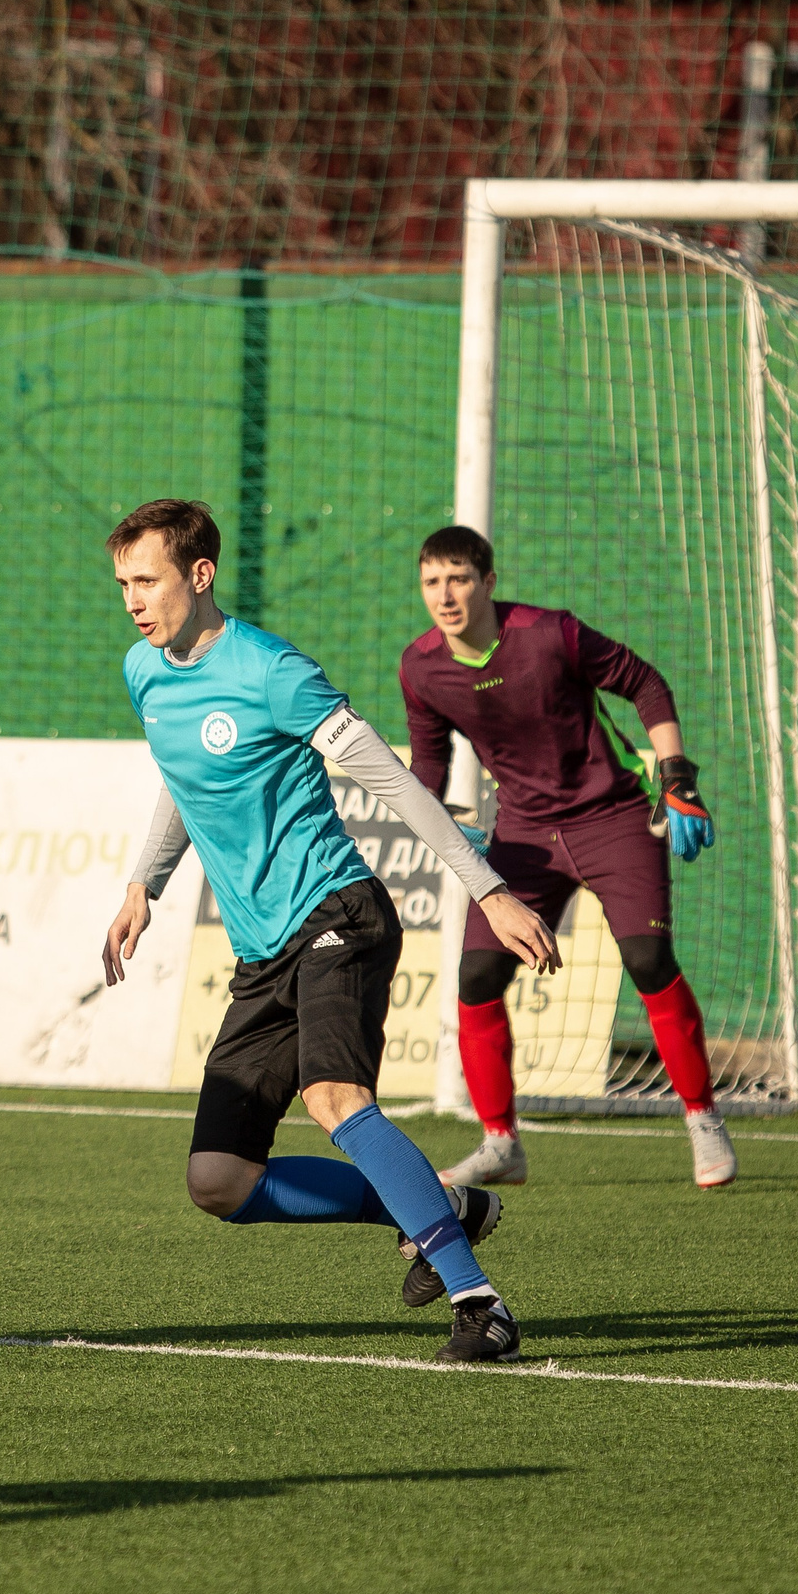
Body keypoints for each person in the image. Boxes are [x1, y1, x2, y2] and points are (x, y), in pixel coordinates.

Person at [99, 499, 561, 1362]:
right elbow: (180, 774)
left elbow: (390, 780)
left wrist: (489, 890)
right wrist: (144, 885)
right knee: (219, 1182)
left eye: (147, 580)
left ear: (199, 576)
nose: (132, 598)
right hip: (260, 951)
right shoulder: (144, 670)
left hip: (337, 913)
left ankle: (479, 1303)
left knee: (335, 1101)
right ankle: (442, 1208)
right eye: (123, 582)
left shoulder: (272, 669)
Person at [398, 524, 737, 1191]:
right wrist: (432, 820)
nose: (446, 595)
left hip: (612, 817)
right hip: (524, 835)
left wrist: (678, 778)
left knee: (648, 960)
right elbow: (430, 762)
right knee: (476, 977)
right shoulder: (421, 667)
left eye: (459, 578)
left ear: (488, 583)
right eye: (433, 581)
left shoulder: (551, 632)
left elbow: (646, 683)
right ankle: (501, 1144)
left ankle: (702, 1117)